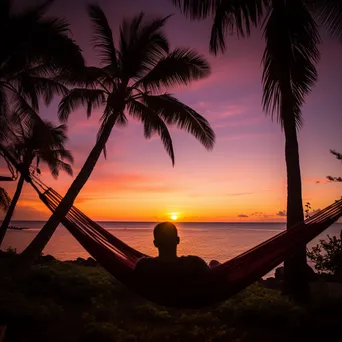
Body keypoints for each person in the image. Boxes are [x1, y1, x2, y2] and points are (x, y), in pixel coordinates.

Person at [134, 222, 219, 282]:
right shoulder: (194, 263)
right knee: (214, 263)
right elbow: (212, 279)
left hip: (160, 298)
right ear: (178, 240)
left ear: (155, 243)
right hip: (190, 300)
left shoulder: (144, 265)